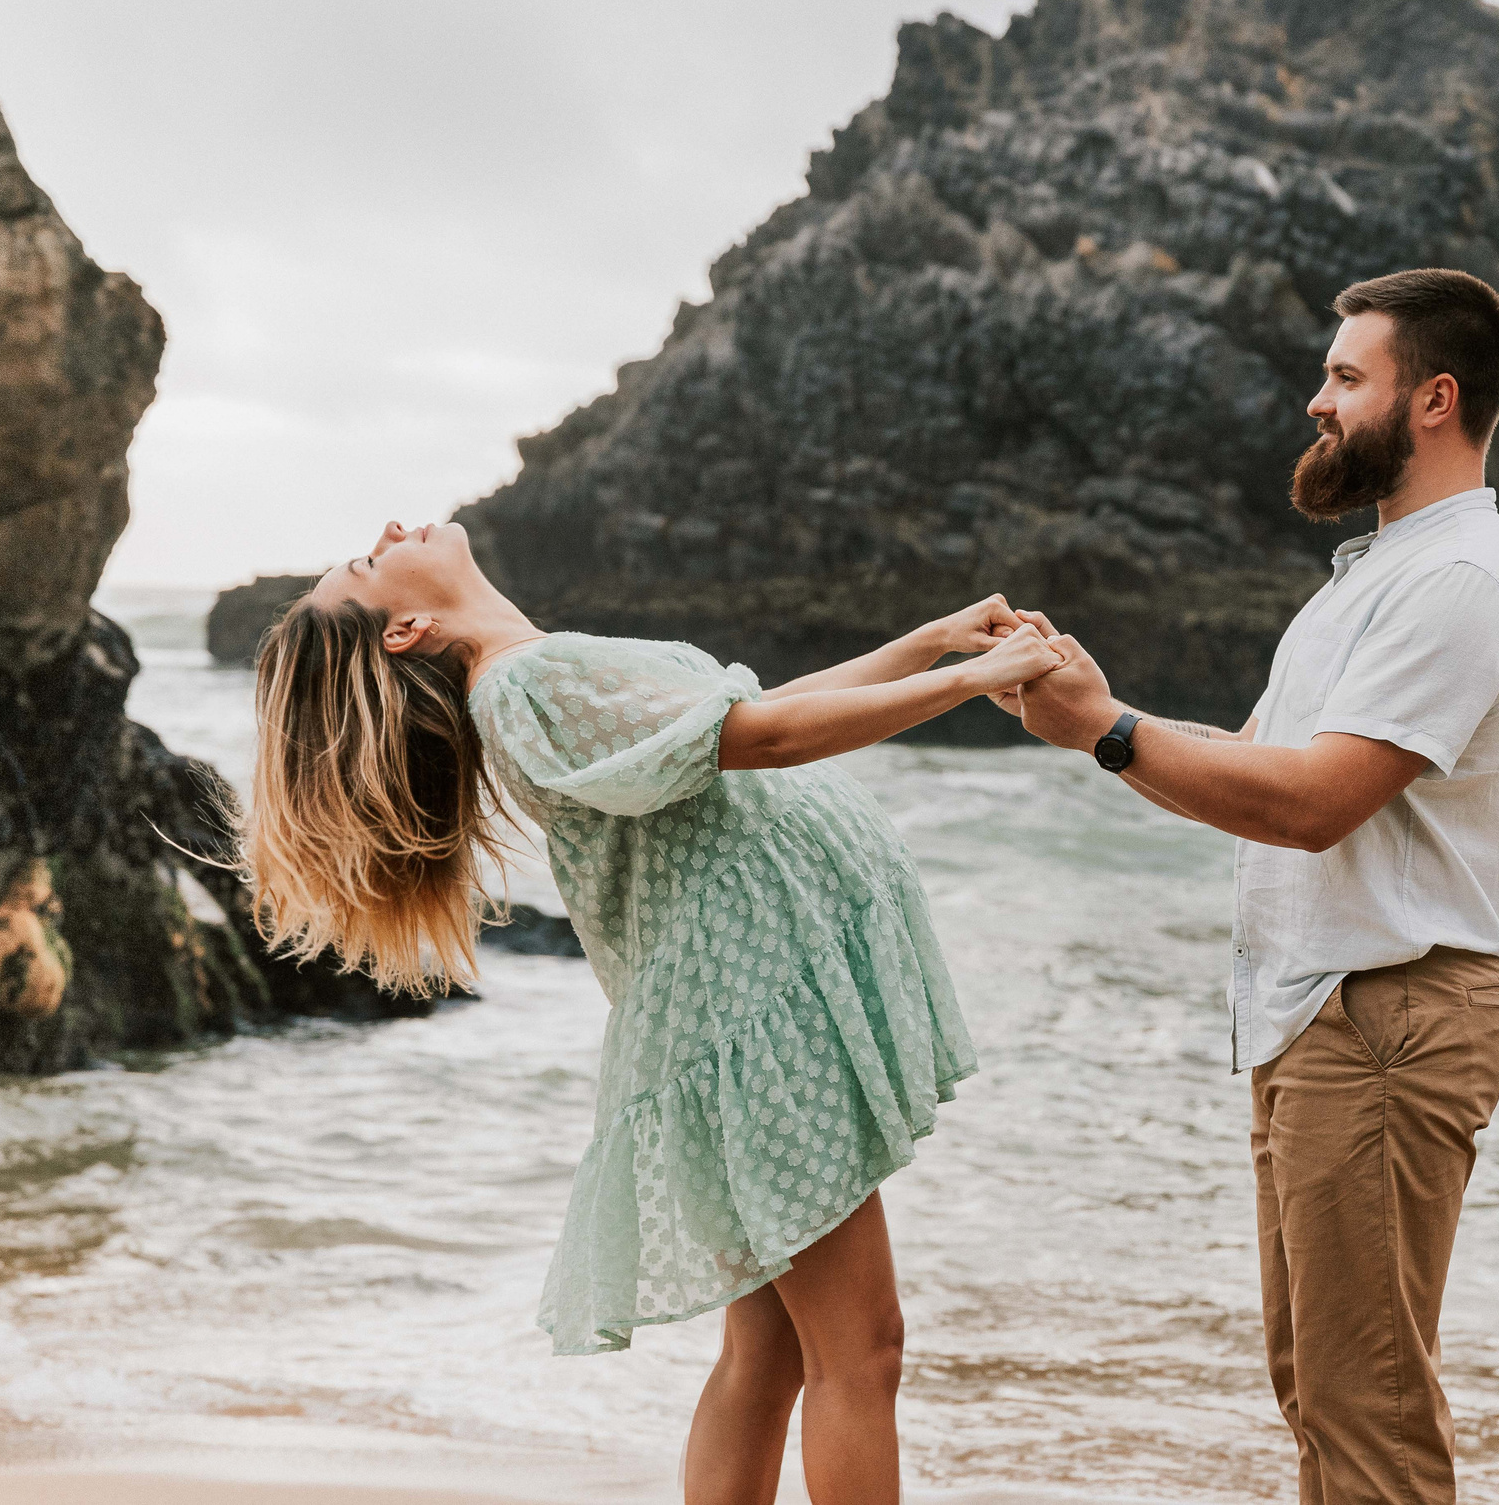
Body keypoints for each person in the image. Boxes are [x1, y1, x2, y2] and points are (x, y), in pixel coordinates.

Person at [243, 525, 1064, 1505]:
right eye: (368, 565)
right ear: (406, 627)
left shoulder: (528, 679)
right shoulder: (525, 680)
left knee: (770, 1354)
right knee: (862, 1351)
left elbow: (754, 714)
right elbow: (763, 740)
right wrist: (970, 684)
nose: (384, 535)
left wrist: (928, 643)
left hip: (732, 1021)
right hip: (754, 1025)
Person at [1012, 268, 1499, 1505]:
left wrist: (1107, 732)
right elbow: (1261, 765)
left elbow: (1314, 806)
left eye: (1346, 377)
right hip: (1323, 1018)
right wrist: (1098, 708)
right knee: (1320, 1394)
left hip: (1386, 1023)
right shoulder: (1379, 573)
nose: (1316, 401)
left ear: (1433, 398)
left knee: (1370, 1422)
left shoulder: (1457, 578)